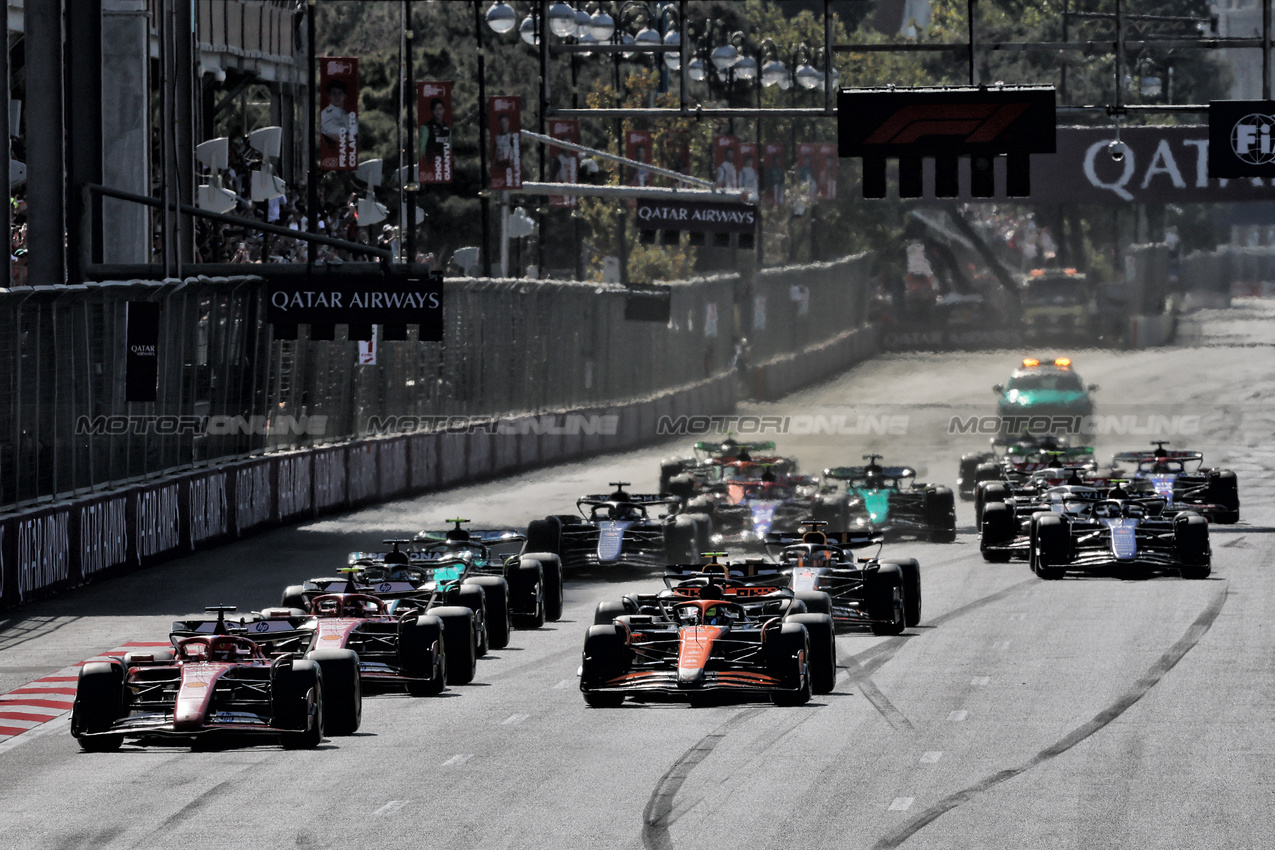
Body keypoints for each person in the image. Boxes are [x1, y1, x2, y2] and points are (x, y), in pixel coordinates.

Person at [320, 79, 358, 146]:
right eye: (334, 93)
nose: (337, 96)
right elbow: (332, 132)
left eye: (340, 93)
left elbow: (355, 132)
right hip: (331, 151)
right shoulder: (325, 113)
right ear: (329, 96)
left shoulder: (349, 115)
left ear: (344, 96)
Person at [420, 97, 450, 171]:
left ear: (444, 110)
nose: (438, 111)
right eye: (436, 109)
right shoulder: (426, 127)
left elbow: (450, 144)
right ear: (432, 111)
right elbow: (422, 148)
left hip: (445, 165)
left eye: (440, 108)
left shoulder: (447, 127)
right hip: (431, 163)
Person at [494, 113, 519, 184]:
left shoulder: (513, 136)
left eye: (505, 122)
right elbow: (495, 150)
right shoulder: (497, 137)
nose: (504, 124)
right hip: (499, 164)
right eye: (502, 122)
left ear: (508, 123)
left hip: (509, 163)